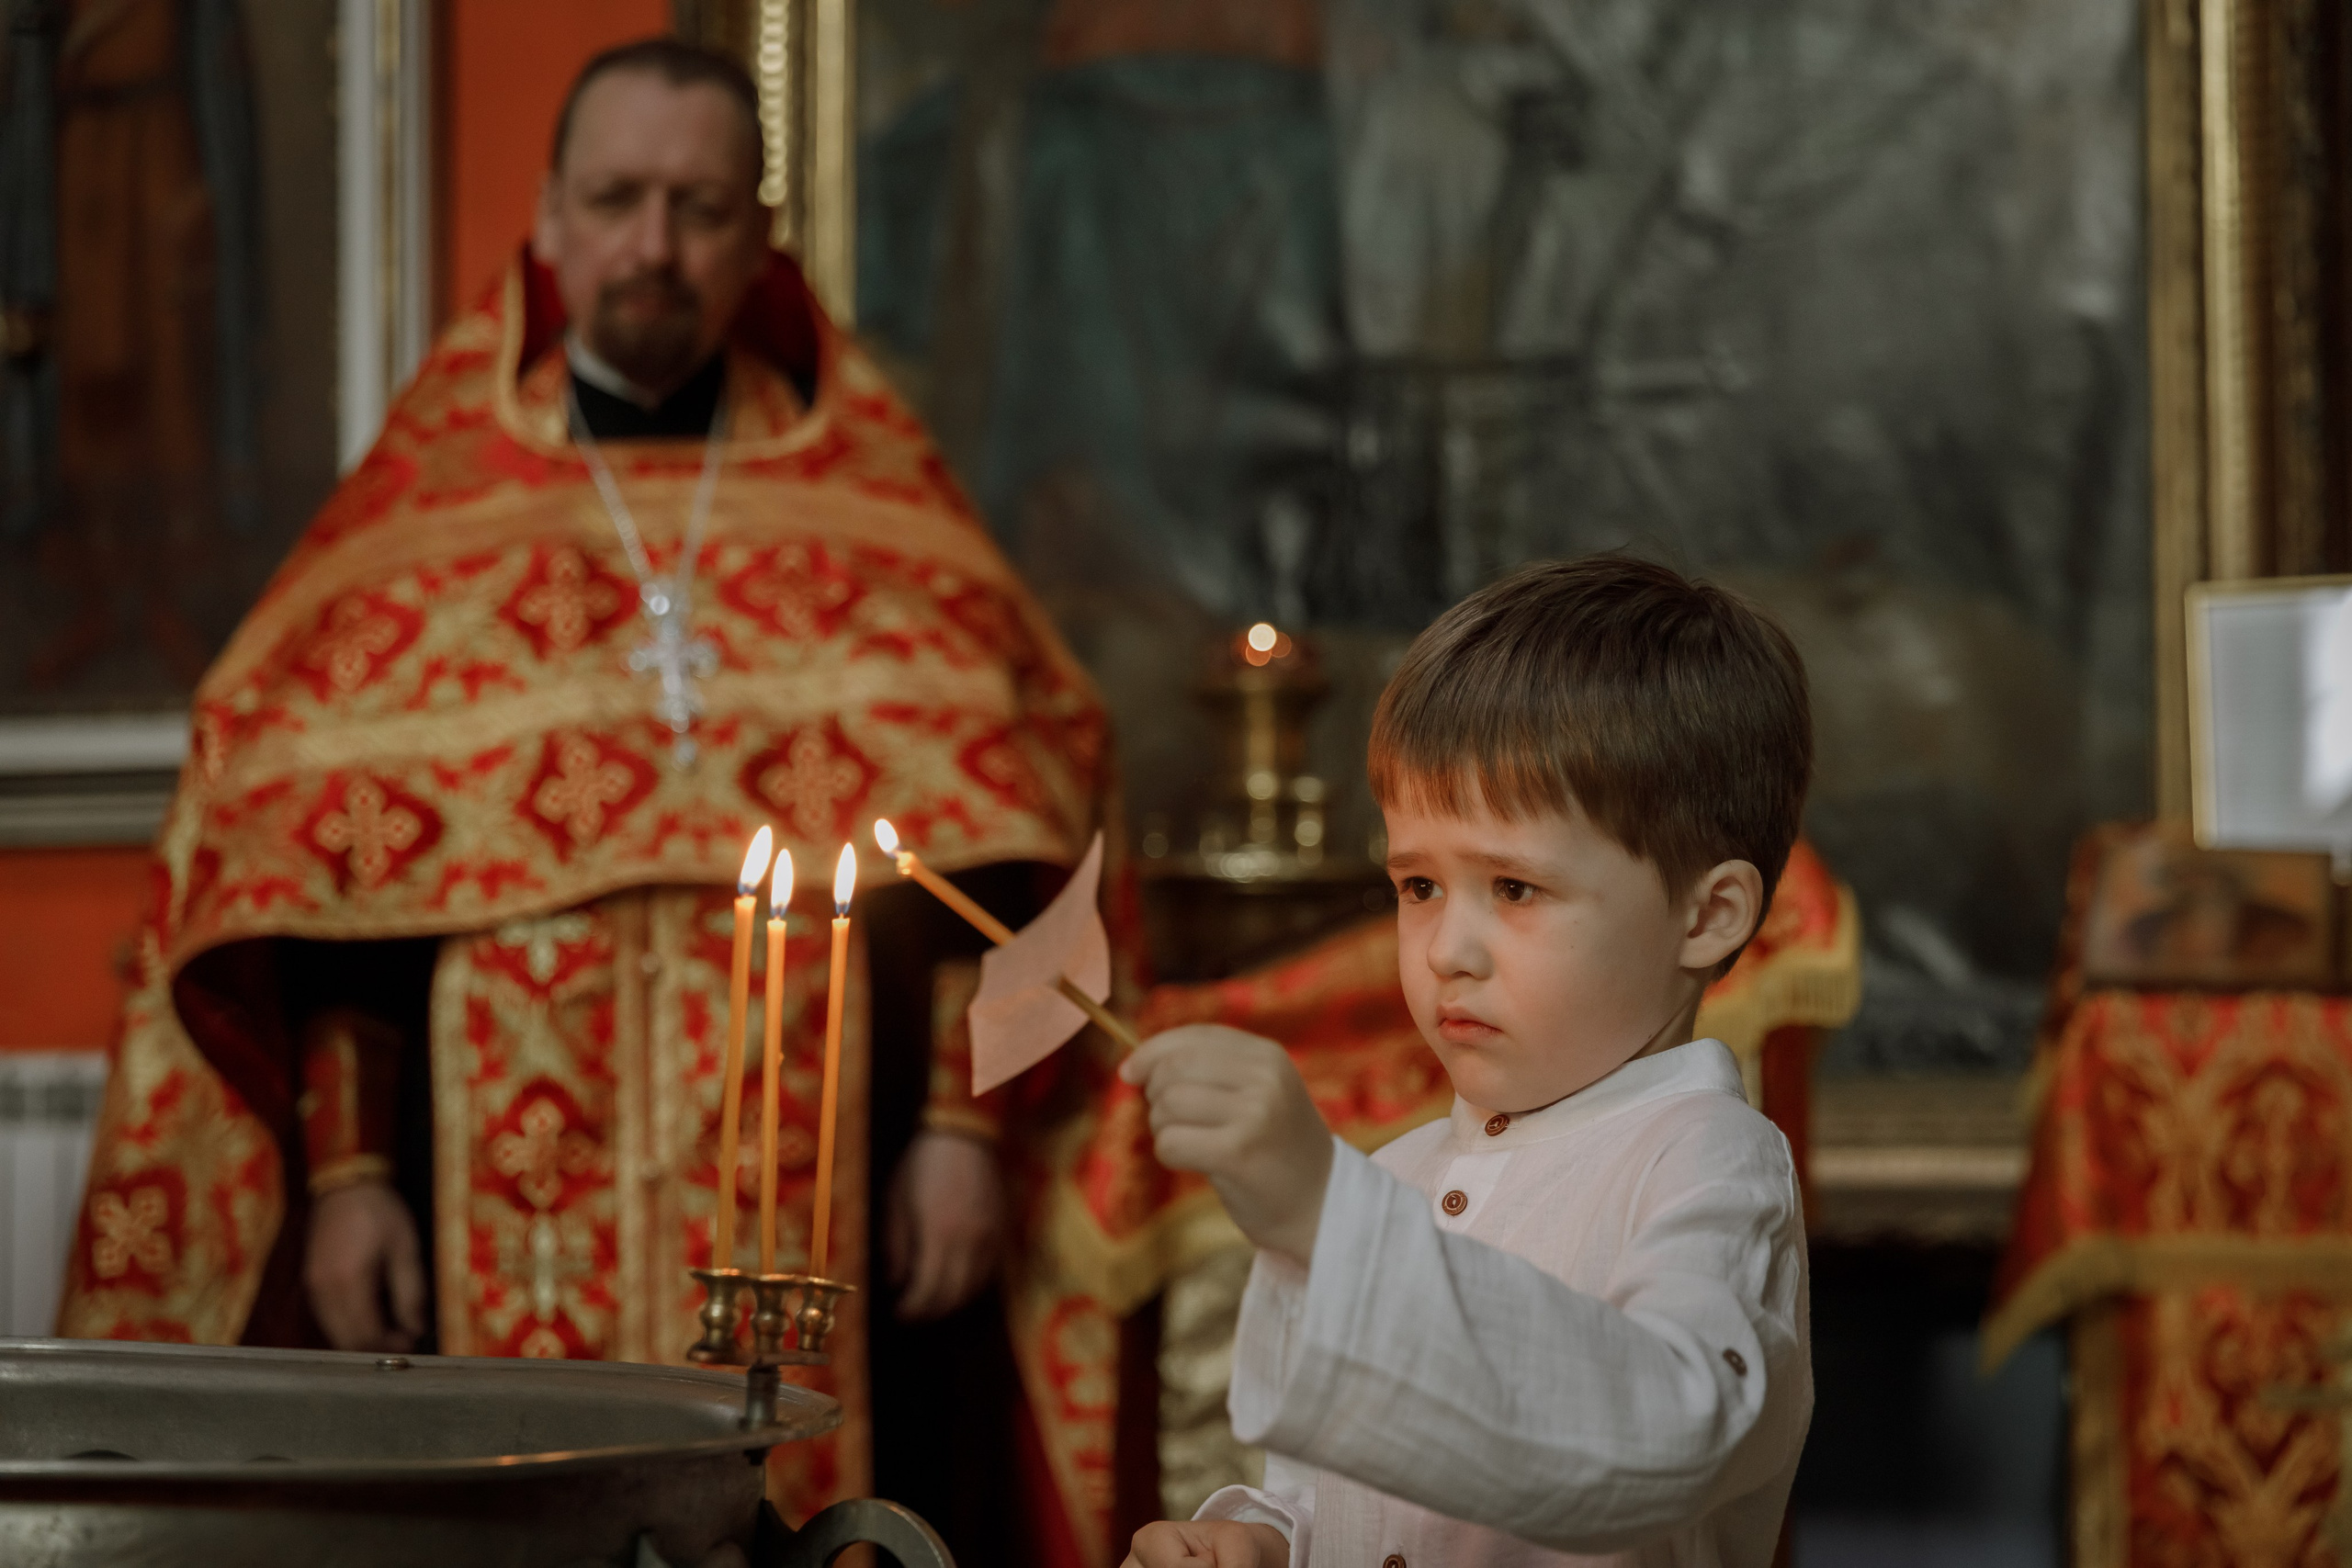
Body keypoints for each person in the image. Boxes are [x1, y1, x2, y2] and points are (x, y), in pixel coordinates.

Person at [60, 39, 1116, 1557]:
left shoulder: (875, 503)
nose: (652, 246)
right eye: (615, 198)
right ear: (547, 221)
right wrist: (350, 1175)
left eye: (697, 206)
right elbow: (328, 890)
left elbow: (1000, 834)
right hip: (476, 1143)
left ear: (759, 238)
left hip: (835, 1161)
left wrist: (965, 1126)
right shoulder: (425, 515)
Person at [1119, 556, 1816, 1566]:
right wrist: (1262, 1541)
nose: (1446, 947)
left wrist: (1322, 1212)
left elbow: (1659, 1436)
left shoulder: (1705, 1163)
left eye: (1515, 889)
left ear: (1705, 915)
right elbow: (1351, 1497)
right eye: (1417, 886)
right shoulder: (1394, 1179)